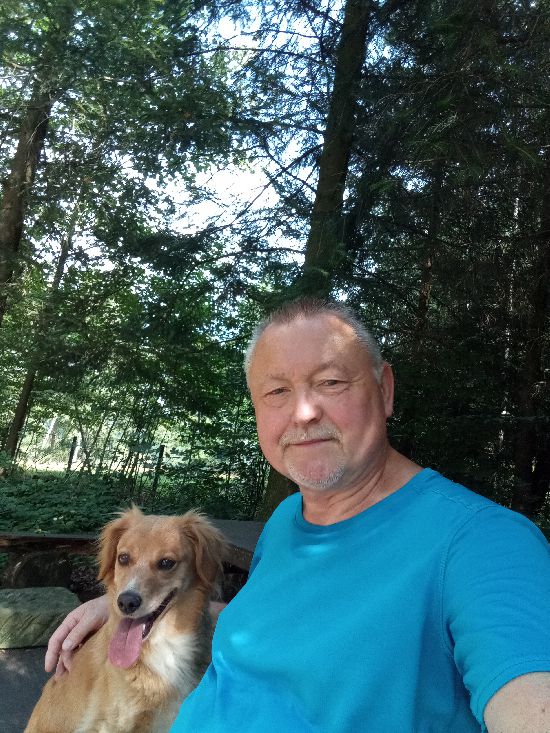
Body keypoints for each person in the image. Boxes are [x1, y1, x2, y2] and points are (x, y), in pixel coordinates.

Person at [46, 298, 550, 732]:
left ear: (385, 390)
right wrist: (130, 606)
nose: (303, 412)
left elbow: (527, 697)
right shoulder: (288, 519)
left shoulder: (484, 542)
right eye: (276, 392)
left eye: (330, 382)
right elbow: (278, 628)